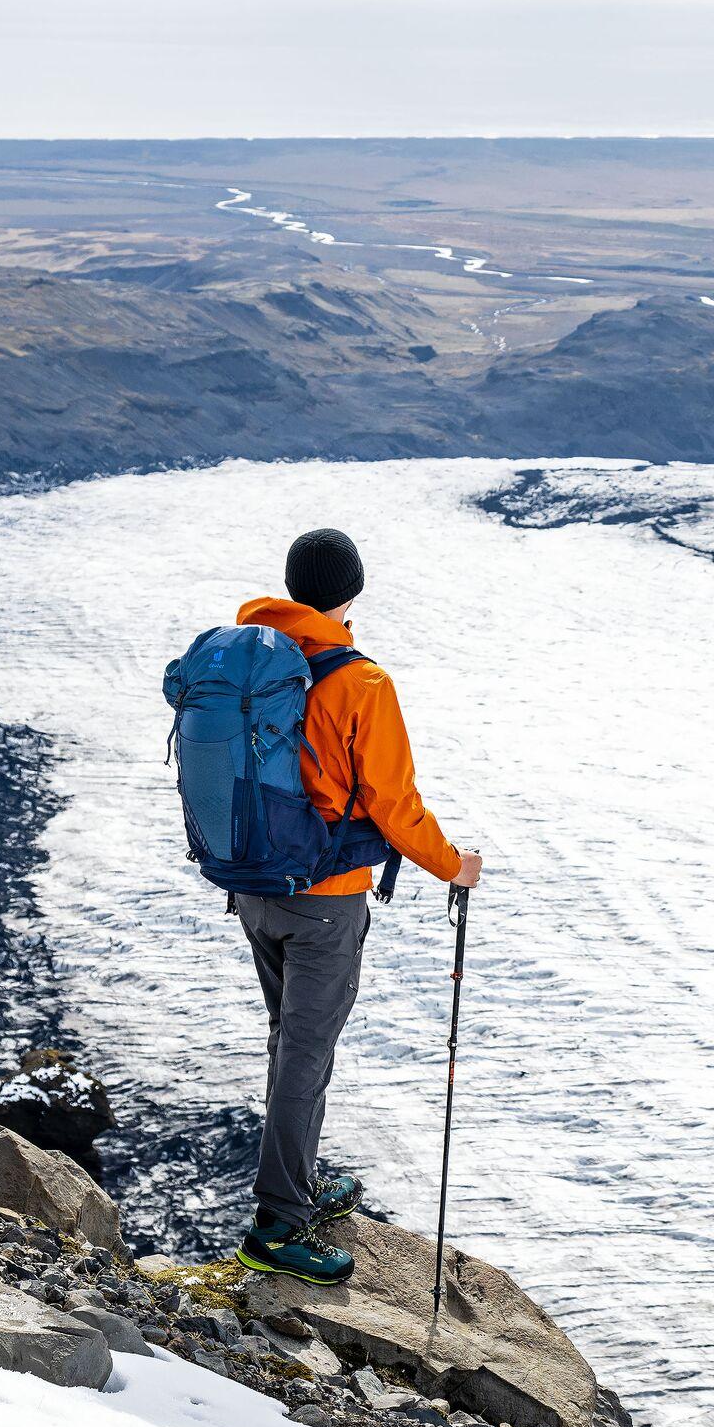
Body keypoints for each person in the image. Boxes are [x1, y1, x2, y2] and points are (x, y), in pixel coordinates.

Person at [230, 527, 482, 1286]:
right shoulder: (360, 682)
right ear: (351, 592)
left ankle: (296, 1185)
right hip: (324, 904)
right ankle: (278, 1223)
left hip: (253, 889)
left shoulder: (251, 658)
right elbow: (395, 805)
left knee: (288, 1042)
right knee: (306, 1054)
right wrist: (454, 867)